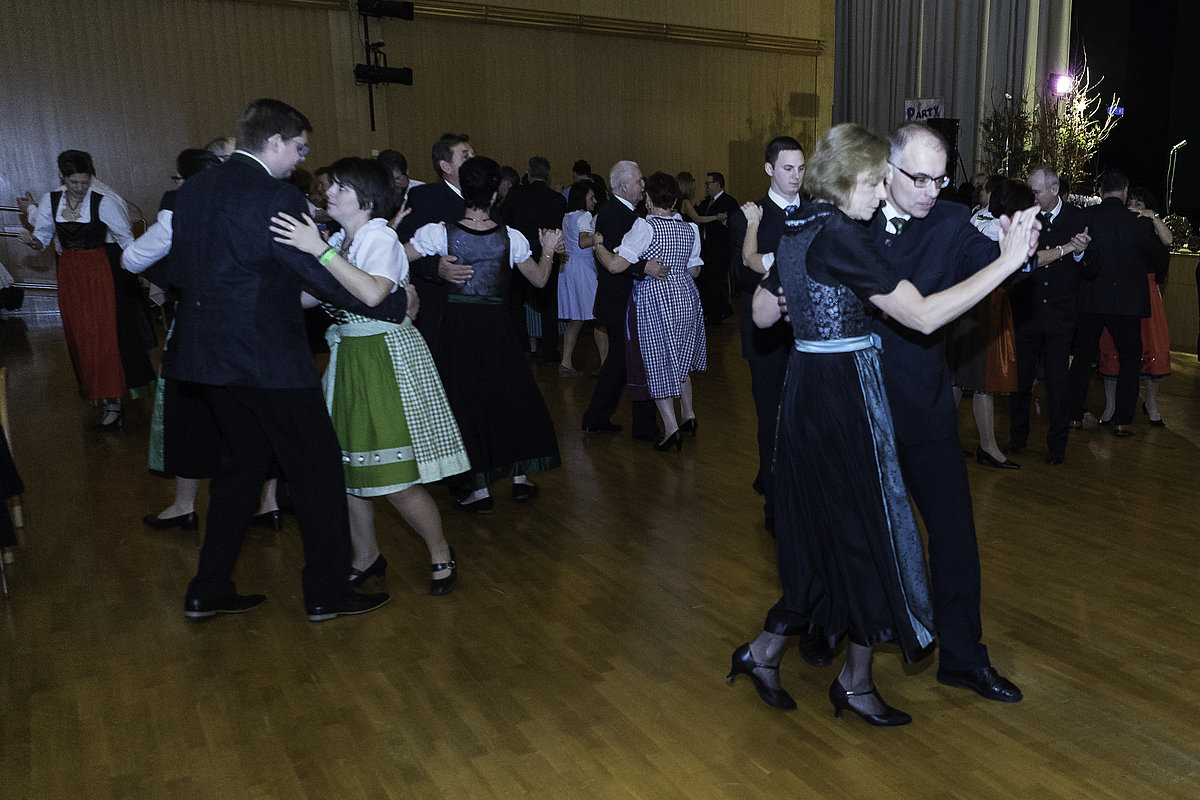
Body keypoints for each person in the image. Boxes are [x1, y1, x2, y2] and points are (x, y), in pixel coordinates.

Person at [729, 123, 1040, 726]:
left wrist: (1016, 254)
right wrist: (801, 300)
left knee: (949, 534)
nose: (930, 190)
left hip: (918, 408)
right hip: (848, 409)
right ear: (884, 172)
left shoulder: (951, 221)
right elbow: (774, 301)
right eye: (917, 178)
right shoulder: (845, 219)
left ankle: (960, 657)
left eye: (939, 179)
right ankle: (827, 644)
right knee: (851, 536)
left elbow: (997, 268)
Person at [165, 98, 411, 622]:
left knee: (241, 468)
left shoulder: (195, 189)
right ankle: (327, 592)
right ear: (274, 141)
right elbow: (317, 273)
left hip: (207, 358)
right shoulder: (277, 195)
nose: (302, 159)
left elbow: (178, 272)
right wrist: (389, 304)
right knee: (317, 470)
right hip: (269, 361)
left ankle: (208, 588)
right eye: (299, 148)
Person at [271, 157, 469, 595]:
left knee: (395, 479)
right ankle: (366, 556)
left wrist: (317, 250)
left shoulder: (379, 237)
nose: (329, 193)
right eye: (331, 186)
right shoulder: (341, 239)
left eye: (340, 187)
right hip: (350, 357)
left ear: (366, 199)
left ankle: (440, 550)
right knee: (347, 474)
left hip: (383, 359)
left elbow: (374, 292)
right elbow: (311, 298)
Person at [122, 148, 281, 533]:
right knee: (255, 415)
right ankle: (269, 505)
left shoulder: (179, 208)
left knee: (191, 415)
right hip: (254, 328)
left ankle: (185, 506)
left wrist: (169, 274)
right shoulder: (259, 202)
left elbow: (131, 259)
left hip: (199, 328)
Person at [405, 156, 563, 513]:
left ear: (464, 189)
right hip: (496, 326)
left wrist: (428, 261)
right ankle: (520, 479)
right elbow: (540, 279)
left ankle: (480, 491)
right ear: (495, 194)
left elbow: (396, 258)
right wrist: (549, 251)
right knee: (510, 397)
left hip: (458, 327)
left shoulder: (439, 233)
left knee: (466, 401)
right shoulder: (510, 237)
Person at [18, 150, 155, 430]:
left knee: (102, 335)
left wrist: (144, 272)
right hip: (70, 274)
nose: (80, 187)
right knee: (81, 336)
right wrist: (33, 242)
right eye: (74, 182)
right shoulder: (51, 200)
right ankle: (99, 392)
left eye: (84, 181)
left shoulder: (104, 202)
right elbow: (43, 236)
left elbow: (127, 242)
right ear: (62, 177)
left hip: (98, 273)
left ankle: (113, 400)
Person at [595, 172, 705, 451]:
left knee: (657, 363)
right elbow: (695, 270)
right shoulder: (689, 229)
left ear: (648, 199)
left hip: (655, 299)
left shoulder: (645, 227)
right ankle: (688, 415)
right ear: (675, 201)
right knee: (680, 357)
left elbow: (615, 266)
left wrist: (598, 245)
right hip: (686, 297)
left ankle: (671, 429)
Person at [728, 136, 805, 534]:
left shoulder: (814, 213)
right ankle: (776, 507)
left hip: (807, 338)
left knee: (805, 420)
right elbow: (742, 275)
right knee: (771, 420)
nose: (796, 176)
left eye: (801, 168)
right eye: (788, 168)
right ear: (770, 169)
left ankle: (801, 496)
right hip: (766, 338)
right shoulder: (747, 216)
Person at [1068, 169, 1170, 436]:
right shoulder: (1137, 222)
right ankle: (1123, 421)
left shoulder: (1086, 216)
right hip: (1127, 303)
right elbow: (1160, 254)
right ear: (1125, 192)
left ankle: (1074, 416)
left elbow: (1074, 257)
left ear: (1101, 192)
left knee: (1082, 359)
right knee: (1130, 361)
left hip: (1091, 300)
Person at [1007, 164, 1093, 464]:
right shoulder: (1024, 217)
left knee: (1058, 385)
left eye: (1036, 191)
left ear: (1054, 190)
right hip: (1027, 313)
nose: (1032, 197)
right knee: (1020, 382)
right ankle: (1017, 439)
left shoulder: (1079, 219)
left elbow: (1093, 268)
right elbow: (1020, 262)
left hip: (1061, 316)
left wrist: (1080, 252)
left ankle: (1057, 447)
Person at [580, 161, 668, 440]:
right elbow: (614, 260)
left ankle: (597, 417)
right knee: (635, 360)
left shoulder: (623, 212)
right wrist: (644, 267)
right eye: (639, 181)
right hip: (621, 300)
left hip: (621, 300)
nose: (643, 185)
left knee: (620, 362)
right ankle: (643, 426)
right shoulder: (614, 214)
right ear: (623, 185)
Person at [947, 178, 1030, 469]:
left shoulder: (976, 218)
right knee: (982, 380)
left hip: (967, 305)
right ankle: (987, 447)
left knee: (959, 377)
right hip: (985, 306)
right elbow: (1012, 266)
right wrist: (1064, 249)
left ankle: (949, 439)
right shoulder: (997, 229)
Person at [1095, 186, 1173, 425]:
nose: (1135, 206)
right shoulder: (1118, 222)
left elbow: (1168, 240)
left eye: (1140, 202)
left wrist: (1153, 216)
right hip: (1118, 292)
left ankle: (1151, 404)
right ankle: (1110, 406)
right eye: (1132, 201)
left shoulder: (1150, 224)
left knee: (1153, 349)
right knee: (1112, 349)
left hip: (1147, 291)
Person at [394, 133, 476, 346]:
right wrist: (435, 267)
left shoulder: (483, 197)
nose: (473, 160)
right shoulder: (425, 196)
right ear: (446, 166)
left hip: (477, 303)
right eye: (465, 156)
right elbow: (400, 248)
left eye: (474, 154)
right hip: (439, 302)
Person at [504, 156, 568, 361]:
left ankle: (523, 347)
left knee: (516, 303)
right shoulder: (558, 199)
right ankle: (550, 350)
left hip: (520, 255)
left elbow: (505, 222)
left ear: (529, 173)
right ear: (548, 176)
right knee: (549, 305)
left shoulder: (516, 194)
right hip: (548, 253)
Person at [558, 180, 606, 376]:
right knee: (599, 317)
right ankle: (606, 364)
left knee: (577, 318)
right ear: (582, 198)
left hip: (568, 268)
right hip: (583, 270)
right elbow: (583, 242)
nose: (594, 201)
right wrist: (598, 238)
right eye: (591, 197)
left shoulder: (567, 216)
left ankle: (566, 362)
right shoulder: (584, 215)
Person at [692, 171, 738, 324]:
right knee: (707, 281)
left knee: (714, 281)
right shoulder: (706, 202)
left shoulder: (729, 202)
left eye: (708, 183)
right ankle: (722, 310)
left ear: (717, 184)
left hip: (720, 250)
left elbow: (735, 225)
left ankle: (716, 316)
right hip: (706, 249)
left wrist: (724, 221)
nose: (706, 187)